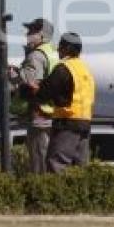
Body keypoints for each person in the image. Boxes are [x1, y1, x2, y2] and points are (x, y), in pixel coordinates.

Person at [25, 32, 96, 173]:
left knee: (56, 163)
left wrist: (30, 91)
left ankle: (59, 195)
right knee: (80, 167)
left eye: (61, 46)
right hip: (85, 123)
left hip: (66, 123)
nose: (58, 50)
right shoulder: (85, 69)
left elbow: (45, 92)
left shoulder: (63, 68)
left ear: (67, 48)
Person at [8, 18, 59, 174]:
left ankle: (40, 192)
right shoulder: (54, 53)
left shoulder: (36, 56)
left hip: (39, 115)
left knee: (38, 160)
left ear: (42, 35)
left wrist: (13, 75)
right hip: (53, 114)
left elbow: (30, 82)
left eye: (32, 31)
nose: (27, 34)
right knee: (50, 158)